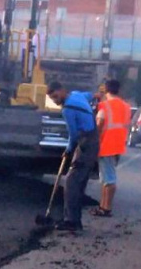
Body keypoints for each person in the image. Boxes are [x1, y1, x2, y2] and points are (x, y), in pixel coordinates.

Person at [47, 81, 99, 232]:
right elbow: (90, 95)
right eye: (52, 99)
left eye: (56, 97)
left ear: (62, 91)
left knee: (71, 182)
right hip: (94, 141)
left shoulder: (68, 109)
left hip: (85, 143)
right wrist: (96, 96)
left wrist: (68, 151)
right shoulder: (77, 95)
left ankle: (72, 221)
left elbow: (74, 135)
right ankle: (76, 220)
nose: (55, 101)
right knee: (79, 182)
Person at [91, 79, 131, 217]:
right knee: (105, 179)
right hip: (118, 145)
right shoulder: (126, 107)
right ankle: (102, 206)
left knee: (109, 179)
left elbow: (99, 126)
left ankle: (106, 208)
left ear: (105, 90)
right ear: (119, 90)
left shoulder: (105, 106)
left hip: (105, 145)